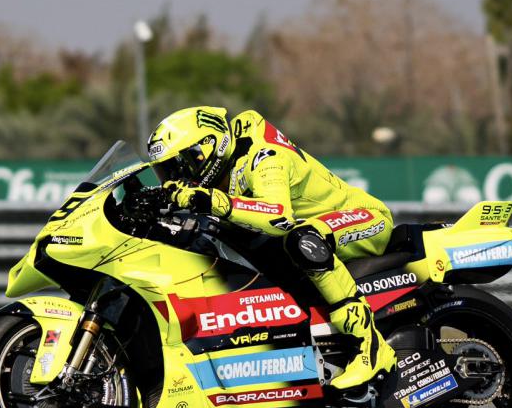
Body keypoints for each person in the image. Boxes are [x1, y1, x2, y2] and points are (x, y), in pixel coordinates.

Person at [146, 105, 397, 390]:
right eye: (165, 172)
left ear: (208, 148)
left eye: (180, 167)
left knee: (303, 239)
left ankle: (371, 346)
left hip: (364, 218)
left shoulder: (265, 156)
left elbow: (278, 216)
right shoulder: (224, 170)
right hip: (324, 232)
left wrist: (213, 201)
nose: (175, 179)